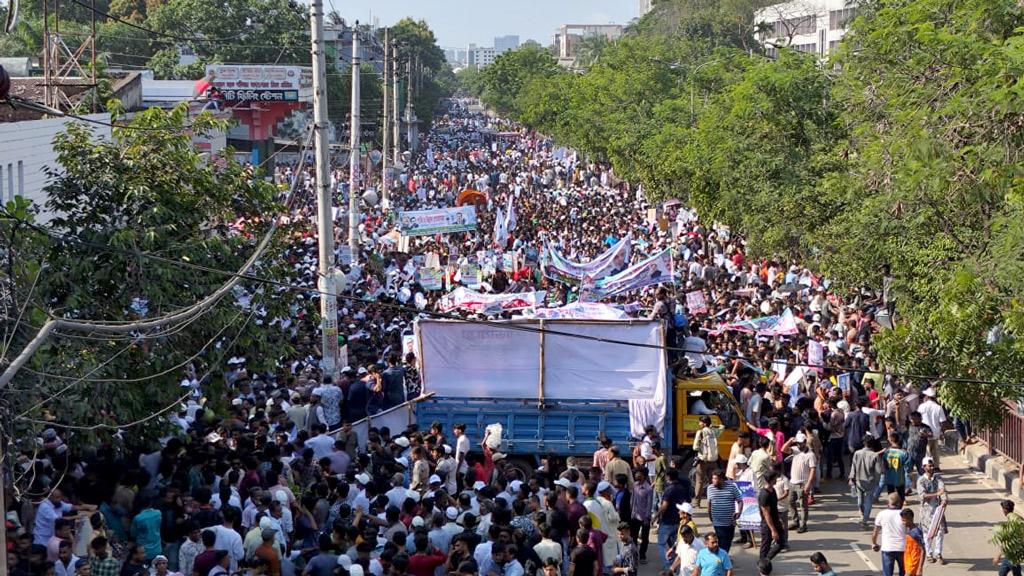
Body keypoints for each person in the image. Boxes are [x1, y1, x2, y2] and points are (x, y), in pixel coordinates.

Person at [782, 432, 816, 533]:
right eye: (797, 443)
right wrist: (789, 441)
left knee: (803, 505)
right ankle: (795, 521)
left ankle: (803, 524)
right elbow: (783, 449)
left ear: (805, 442)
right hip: (792, 482)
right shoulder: (795, 450)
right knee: (790, 502)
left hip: (802, 483)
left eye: (800, 443)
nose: (799, 445)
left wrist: (808, 484)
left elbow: (812, 470)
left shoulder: (810, 455)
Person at [915, 456, 946, 565]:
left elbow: (943, 490)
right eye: (930, 465)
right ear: (924, 467)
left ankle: (938, 553)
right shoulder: (921, 480)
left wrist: (944, 500)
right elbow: (922, 495)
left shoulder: (938, 478)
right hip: (926, 511)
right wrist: (936, 494)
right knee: (927, 532)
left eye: (933, 465)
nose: (932, 467)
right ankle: (929, 553)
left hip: (938, 510)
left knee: (940, 531)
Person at [850, 436, 885, 526]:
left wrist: (851, 477)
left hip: (858, 481)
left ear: (863, 443)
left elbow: (853, 466)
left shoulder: (857, 453)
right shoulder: (875, 455)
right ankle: (865, 519)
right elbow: (878, 471)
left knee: (860, 500)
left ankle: (862, 513)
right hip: (870, 481)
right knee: (868, 500)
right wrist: (877, 483)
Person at [704, 470, 741, 553]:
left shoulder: (732, 487)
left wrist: (739, 512)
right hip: (717, 521)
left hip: (730, 521)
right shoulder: (710, 488)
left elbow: (740, 500)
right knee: (721, 539)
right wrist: (710, 515)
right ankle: (722, 559)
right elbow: (709, 503)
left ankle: (724, 556)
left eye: (715, 479)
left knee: (728, 540)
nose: (713, 481)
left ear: (721, 479)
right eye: (712, 478)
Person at [872, 493, 907, 576]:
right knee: (904, 572)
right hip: (903, 548)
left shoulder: (882, 514)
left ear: (888, 503)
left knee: (887, 574)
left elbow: (875, 531)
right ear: (900, 503)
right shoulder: (905, 514)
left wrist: (874, 543)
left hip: (888, 548)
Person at [692, 416, 723, 509]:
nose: (699, 424)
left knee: (699, 482)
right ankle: (715, 501)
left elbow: (695, 447)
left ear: (704, 423)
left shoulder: (700, 432)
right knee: (713, 481)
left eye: (700, 422)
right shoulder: (713, 432)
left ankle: (697, 503)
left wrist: (701, 448)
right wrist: (713, 425)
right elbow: (722, 427)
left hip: (702, 461)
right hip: (713, 460)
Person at [757, 470, 783, 561]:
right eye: (775, 478)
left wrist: (779, 520)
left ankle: (766, 560)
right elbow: (766, 514)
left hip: (776, 520)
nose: (777, 479)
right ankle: (762, 565)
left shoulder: (773, 490)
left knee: (781, 542)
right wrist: (773, 530)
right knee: (766, 545)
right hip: (768, 525)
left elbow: (775, 508)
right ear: (771, 480)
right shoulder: (764, 494)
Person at [993, 500, 1023, 576]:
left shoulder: (1011, 523)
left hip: (1012, 553)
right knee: (1004, 572)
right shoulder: (1016, 517)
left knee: (1004, 572)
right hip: (1015, 552)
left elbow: (1006, 541)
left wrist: (998, 556)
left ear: (1004, 510)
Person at [916, 388, 946, 461]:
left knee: (927, 451)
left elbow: (917, 419)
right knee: (935, 450)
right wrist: (941, 433)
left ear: (927, 396)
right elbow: (942, 422)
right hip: (935, 432)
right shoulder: (938, 407)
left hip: (924, 433)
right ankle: (936, 466)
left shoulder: (921, 406)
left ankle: (927, 465)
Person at [900, 509, 925, 576]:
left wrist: (920, 568)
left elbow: (923, 550)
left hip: (913, 564)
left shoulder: (916, 532)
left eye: (904, 520)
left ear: (910, 519)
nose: (902, 522)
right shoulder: (909, 530)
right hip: (908, 564)